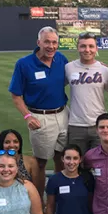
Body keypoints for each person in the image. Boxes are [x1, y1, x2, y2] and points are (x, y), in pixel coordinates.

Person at [9, 26, 69, 180]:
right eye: (47, 42)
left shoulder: (61, 59)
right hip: (39, 117)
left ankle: (57, 198)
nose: (51, 46)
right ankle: (39, 202)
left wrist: (96, 65)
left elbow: (75, 74)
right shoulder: (24, 64)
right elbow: (16, 95)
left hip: (63, 114)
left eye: (54, 42)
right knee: (40, 163)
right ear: (38, 42)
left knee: (61, 158)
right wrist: (28, 116)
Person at [66, 32, 108, 156]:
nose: (87, 50)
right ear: (77, 47)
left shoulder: (104, 70)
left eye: (91, 46)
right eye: (83, 46)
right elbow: (55, 88)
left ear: (96, 49)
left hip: (99, 126)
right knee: (77, 164)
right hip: (76, 125)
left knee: (100, 163)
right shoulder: (68, 67)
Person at [46, 144, 95, 214]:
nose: (71, 162)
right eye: (68, 158)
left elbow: (91, 205)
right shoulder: (54, 180)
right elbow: (50, 207)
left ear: (80, 160)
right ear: (62, 159)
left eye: (75, 158)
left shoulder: (87, 179)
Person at [0, 129, 42, 196]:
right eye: (7, 142)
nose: (12, 145)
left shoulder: (31, 162)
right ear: (1, 144)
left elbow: (38, 190)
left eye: (15, 142)